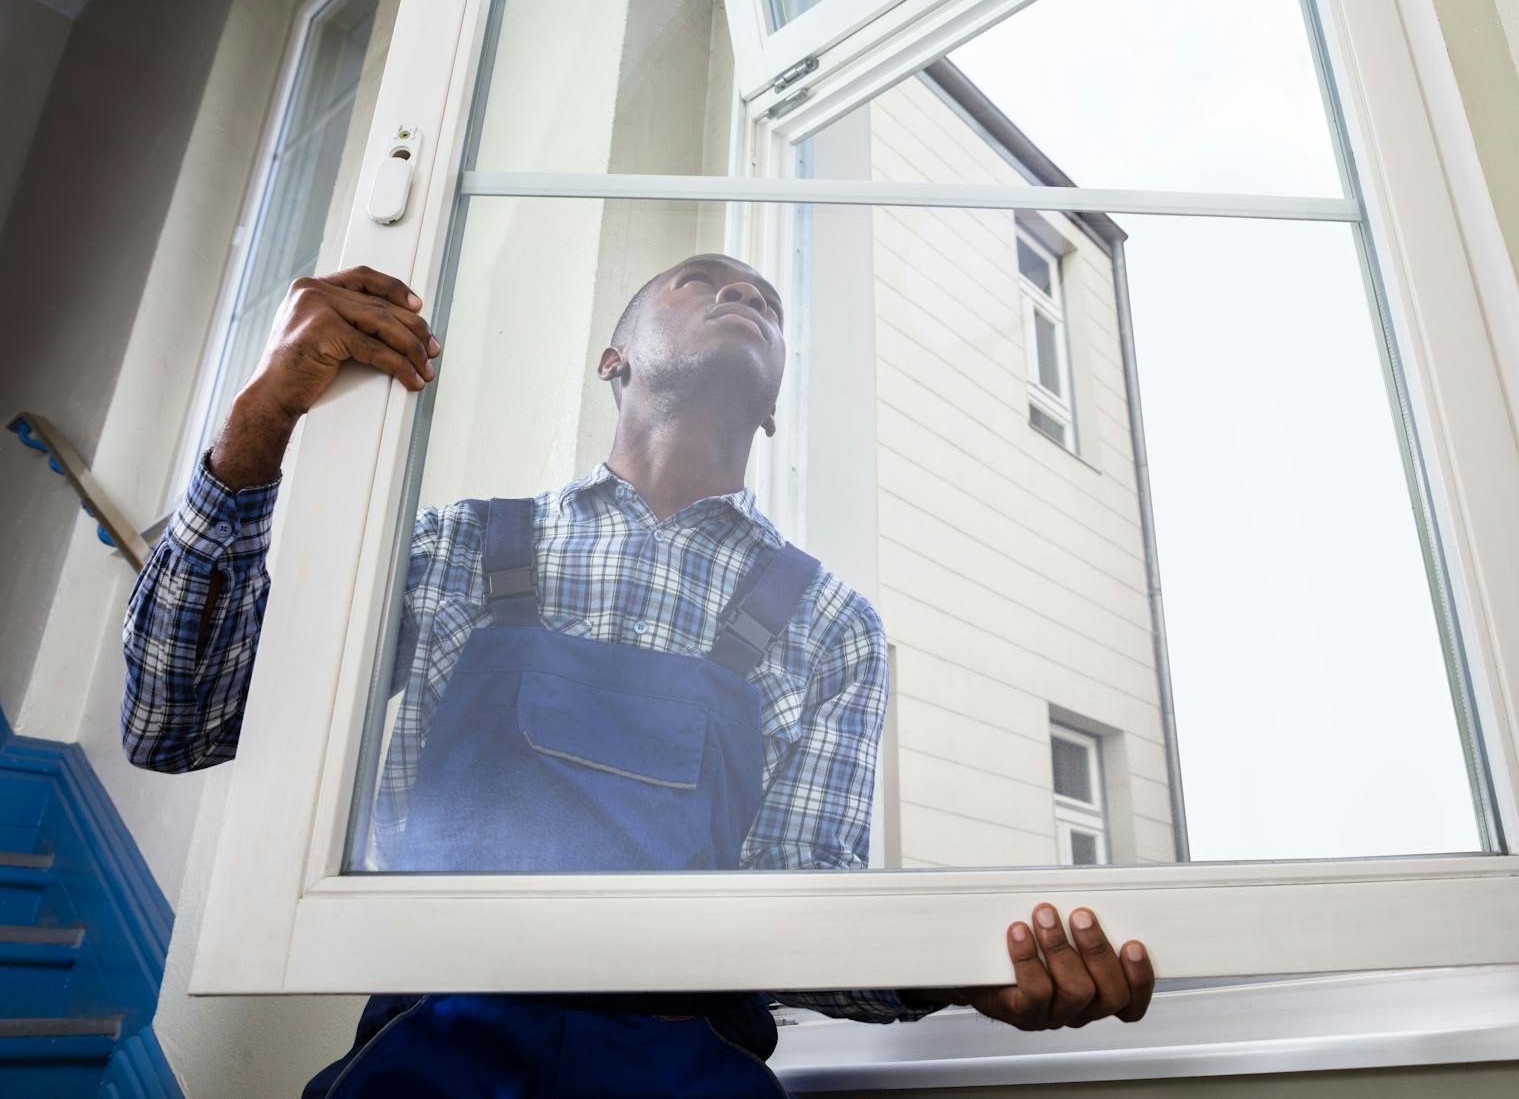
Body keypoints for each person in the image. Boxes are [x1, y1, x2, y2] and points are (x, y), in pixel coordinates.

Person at [123, 259, 1156, 1097]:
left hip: (687, 1073)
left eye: (766, 301)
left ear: (775, 408)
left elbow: (803, 911)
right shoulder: (454, 549)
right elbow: (179, 721)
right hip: (431, 1055)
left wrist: (972, 967)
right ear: (614, 358)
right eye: (705, 282)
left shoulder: (831, 625)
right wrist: (259, 420)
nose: (745, 296)